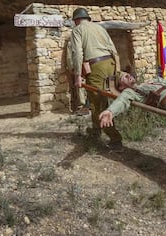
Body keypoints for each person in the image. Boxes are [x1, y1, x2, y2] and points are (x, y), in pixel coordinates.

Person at [70, 7, 123, 151]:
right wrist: (117, 69)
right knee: (100, 100)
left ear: (76, 20)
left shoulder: (77, 30)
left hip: (96, 67)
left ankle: (115, 139)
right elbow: (113, 50)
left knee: (97, 102)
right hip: (110, 63)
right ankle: (96, 131)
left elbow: (77, 54)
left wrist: (78, 76)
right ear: (88, 18)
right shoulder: (100, 28)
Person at [66, 39, 89, 116]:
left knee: (80, 86)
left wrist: (72, 68)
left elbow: (69, 58)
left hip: (80, 66)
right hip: (90, 65)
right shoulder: (86, 41)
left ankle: (83, 106)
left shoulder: (71, 43)